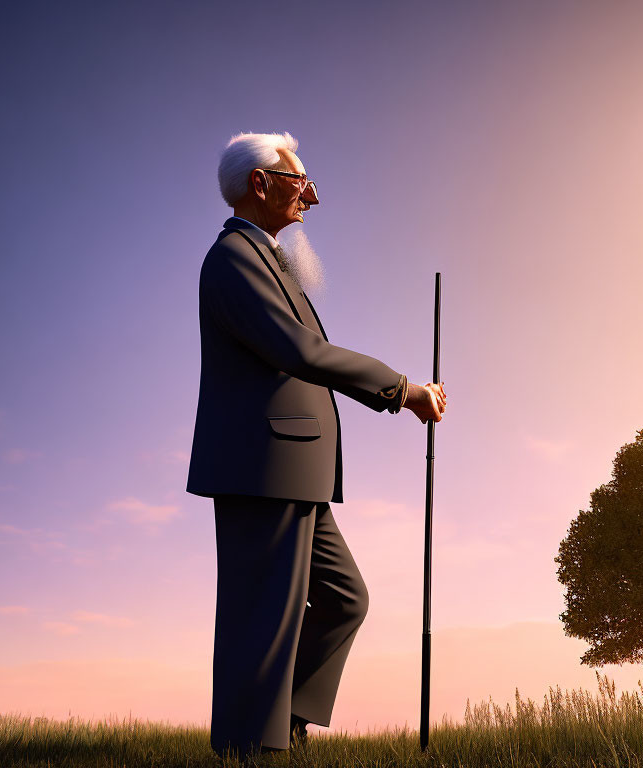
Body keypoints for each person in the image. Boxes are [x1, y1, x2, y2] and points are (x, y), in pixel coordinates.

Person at [186, 131, 446, 762]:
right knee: (262, 615)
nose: (311, 196)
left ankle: (287, 720)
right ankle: (252, 748)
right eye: (299, 181)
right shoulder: (233, 259)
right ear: (261, 183)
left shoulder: (267, 259)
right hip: (263, 466)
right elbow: (299, 353)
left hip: (294, 467)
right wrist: (401, 389)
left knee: (343, 597)